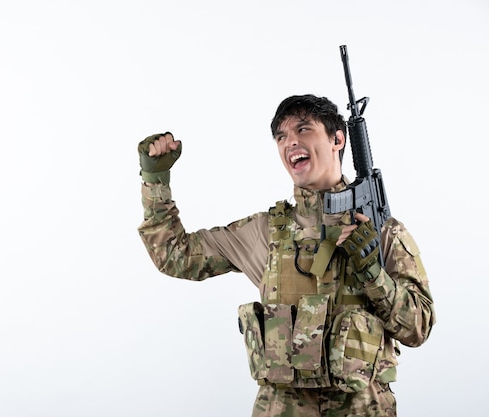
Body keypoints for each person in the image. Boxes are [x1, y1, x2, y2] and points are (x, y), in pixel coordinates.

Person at [137, 94, 435, 417]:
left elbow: (418, 328)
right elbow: (174, 254)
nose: (290, 142)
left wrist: (375, 277)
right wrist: (156, 180)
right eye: (281, 136)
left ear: (338, 139)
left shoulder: (382, 232)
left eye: (303, 130)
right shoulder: (266, 232)